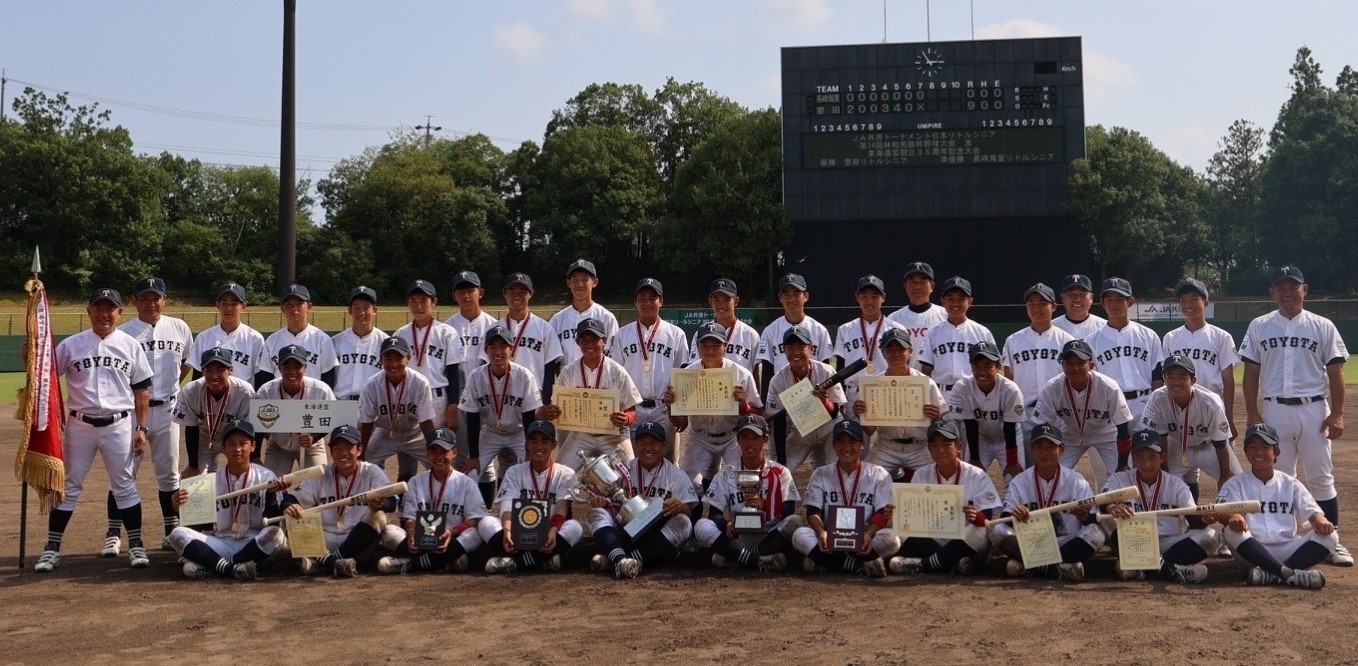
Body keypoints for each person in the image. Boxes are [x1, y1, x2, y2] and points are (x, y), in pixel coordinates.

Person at [34, 288, 155, 573]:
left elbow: (142, 392)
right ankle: (52, 548)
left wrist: (141, 428)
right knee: (69, 486)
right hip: (80, 425)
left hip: (119, 424)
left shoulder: (130, 345)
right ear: (88, 311)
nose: (104, 313)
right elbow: (45, 376)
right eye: (98, 308)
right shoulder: (71, 345)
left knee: (124, 485)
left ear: (119, 313)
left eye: (109, 308)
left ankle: (136, 545)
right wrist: (34, 353)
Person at [1239, 265, 1351, 566]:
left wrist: (1338, 413)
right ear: (1272, 292)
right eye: (1281, 287)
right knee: (1280, 476)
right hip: (1275, 409)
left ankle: (1332, 540)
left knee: (1321, 475)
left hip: (1314, 409)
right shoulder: (1259, 325)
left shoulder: (1322, 325)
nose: (1287, 292)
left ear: (1305, 290)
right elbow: (1251, 372)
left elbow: (1335, 371)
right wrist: (1252, 412)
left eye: (1293, 287)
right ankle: (1281, 538)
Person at [112, 276, 193, 553]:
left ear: (164, 300)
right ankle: (113, 532)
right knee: (124, 473)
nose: (150, 303)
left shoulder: (180, 327)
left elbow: (186, 364)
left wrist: (171, 387)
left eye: (155, 297)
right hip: (134, 413)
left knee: (169, 475)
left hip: (169, 410)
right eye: (144, 298)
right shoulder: (124, 333)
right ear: (134, 301)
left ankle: (171, 531)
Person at [1212, 424, 1335, 588]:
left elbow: (1313, 512)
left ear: (1276, 452)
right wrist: (1233, 516)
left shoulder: (1290, 483)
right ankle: (1289, 574)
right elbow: (1222, 510)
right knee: (1231, 531)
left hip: (1287, 548)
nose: (1259, 452)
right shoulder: (1235, 483)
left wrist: (1321, 521)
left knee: (1330, 536)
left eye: (1265, 447)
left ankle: (1274, 574)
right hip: (1252, 551)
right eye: (1253, 447)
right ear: (1246, 451)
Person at [168, 419, 288, 580]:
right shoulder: (209, 482)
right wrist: (178, 507)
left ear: (252, 446)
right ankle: (234, 567)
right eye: (231, 444)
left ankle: (214, 565)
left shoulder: (266, 477)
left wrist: (272, 495)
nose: (237, 449)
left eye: (243, 443)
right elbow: (196, 524)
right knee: (177, 534)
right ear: (223, 448)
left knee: (276, 534)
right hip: (221, 542)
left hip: (254, 542)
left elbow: (274, 522)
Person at [282, 424, 405, 577]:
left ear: (359, 450)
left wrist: (381, 503)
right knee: (291, 517)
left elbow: (392, 502)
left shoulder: (371, 471)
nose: (343, 453)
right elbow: (291, 498)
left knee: (379, 516)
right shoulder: (322, 473)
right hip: (324, 542)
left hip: (358, 543)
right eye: (337, 448)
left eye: (349, 448)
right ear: (331, 452)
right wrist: (290, 505)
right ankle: (334, 564)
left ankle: (328, 563)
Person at [990, 423, 1106, 581]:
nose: (1045, 452)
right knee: (996, 530)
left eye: (1051, 447)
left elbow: (1092, 519)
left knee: (1096, 533)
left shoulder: (1076, 480)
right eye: (1039, 447)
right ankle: (1060, 569)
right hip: (1032, 542)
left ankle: (1029, 566)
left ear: (1061, 449)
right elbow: (1006, 518)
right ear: (1032, 449)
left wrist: (1084, 517)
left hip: (1066, 542)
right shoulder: (1020, 481)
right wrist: (1015, 516)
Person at [586, 422, 699, 579]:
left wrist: (679, 507)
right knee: (596, 513)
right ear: (636, 445)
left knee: (683, 522)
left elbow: (688, 512)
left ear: (663, 445)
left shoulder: (676, 475)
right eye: (643, 443)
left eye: (653, 443)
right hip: (627, 532)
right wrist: (601, 503)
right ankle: (622, 560)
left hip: (657, 538)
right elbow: (609, 502)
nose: (648, 448)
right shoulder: (623, 470)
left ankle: (619, 559)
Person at [1099, 430, 1214, 584]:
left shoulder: (1176, 484)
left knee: (1210, 537)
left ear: (1162, 457)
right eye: (1140, 458)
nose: (1146, 464)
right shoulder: (1119, 479)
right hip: (1135, 541)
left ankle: (1140, 567)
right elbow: (1101, 500)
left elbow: (1192, 518)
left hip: (1169, 543)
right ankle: (1173, 570)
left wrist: (1205, 519)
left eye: (1152, 457)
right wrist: (1111, 506)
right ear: (1133, 458)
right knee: (1107, 521)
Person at [888, 420, 1001, 576]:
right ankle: (953, 562)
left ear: (959, 447)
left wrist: (976, 516)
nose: (940, 450)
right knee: (900, 529)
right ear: (929, 449)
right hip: (933, 537)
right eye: (934, 445)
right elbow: (911, 516)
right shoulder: (921, 474)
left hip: (965, 540)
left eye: (947, 445)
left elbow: (987, 516)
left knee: (981, 530)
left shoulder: (976, 475)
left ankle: (924, 564)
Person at [692, 415, 803, 572]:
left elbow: (789, 510)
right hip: (739, 538)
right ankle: (758, 561)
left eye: (755, 437)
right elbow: (714, 514)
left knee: (796, 521)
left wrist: (765, 505)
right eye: (744, 437)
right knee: (701, 525)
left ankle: (737, 558)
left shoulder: (780, 472)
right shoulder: (727, 473)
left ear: (765, 439)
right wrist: (727, 524)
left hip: (771, 536)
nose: (750, 443)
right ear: (738, 440)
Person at [665, 322, 762, 497]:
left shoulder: (741, 374)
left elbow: (758, 415)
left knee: (743, 483)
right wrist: (671, 407)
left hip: (732, 437)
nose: (710, 350)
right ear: (697, 346)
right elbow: (682, 425)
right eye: (705, 345)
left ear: (725, 346)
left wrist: (744, 406)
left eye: (716, 345)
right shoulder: (686, 375)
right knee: (688, 486)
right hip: (699, 437)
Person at [377, 428, 488, 575]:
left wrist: (452, 532)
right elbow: (408, 518)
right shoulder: (416, 481)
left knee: (474, 535)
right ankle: (444, 562)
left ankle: (411, 564)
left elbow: (475, 519)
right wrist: (411, 533)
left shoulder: (466, 483)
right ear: (427, 454)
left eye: (444, 451)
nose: (439, 457)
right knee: (388, 531)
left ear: (454, 452)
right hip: (421, 540)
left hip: (452, 540)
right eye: (434, 451)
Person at [793, 420, 895, 577]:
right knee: (799, 535)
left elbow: (882, 513)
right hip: (830, 537)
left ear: (862, 444)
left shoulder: (878, 473)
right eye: (840, 442)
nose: (846, 447)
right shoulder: (821, 473)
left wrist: (869, 534)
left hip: (864, 536)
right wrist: (821, 532)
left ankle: (823, 561)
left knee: (892, 539)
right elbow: (812, 512)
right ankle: (858, 565)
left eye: (852, 442)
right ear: (833, 445)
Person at [480, 421, 583, 573]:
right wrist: (507, 531)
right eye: (533, 441)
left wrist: (553, 531)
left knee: (575, 527)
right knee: (485, 522)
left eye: (544, 441)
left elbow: (562, 508)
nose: (539, 446)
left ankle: (516, 563)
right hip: (519, 535)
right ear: (526, 444)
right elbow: (507, 507)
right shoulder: (514, 472)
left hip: (550, 533)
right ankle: (543, 561)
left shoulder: (566, 473)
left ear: (553, 445)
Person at [459, 324, 544, 507]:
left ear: (511, 349)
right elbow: (472, 417)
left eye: (503, 346)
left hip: (519, 432)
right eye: (493, 347)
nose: (498, 352)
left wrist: (528, 452)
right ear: (485, 350)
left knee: (534, 467)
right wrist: (474, 455)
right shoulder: (476, 376)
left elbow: (529, 417)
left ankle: (532, 511)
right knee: (471, 472)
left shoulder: (524, 376)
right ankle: (478, 513)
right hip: (490, 432)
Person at [1031, 339, 1133, 492]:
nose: (1075, 368)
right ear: (1062, 365)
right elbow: (1041, 426)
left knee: (1124, 478)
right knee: (1053, 475)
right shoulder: (1052, 387)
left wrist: (1122, 464)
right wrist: (1048, 454)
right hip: (1070, 433)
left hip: (1106, 433)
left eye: (1080, 363)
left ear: (1091, 365)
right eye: (1069, 363)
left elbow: (1124, 425)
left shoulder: (1108, 387)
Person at [541, 318, 641, 470]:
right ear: (577, 342)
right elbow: (555, 406)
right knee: (561, 473)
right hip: (581, 435)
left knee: (630, 472)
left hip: (613, 435)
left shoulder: (617, 371)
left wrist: (626, 418)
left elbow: (631, 409)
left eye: (595, 339)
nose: (589, 344)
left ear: (604, 341)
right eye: (584, 340)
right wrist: (552, 411)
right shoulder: (568, 372)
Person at [845, 329, 945, 481]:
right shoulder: (873, 385)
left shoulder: (925, 383)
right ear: (883, 353)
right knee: (864, 480)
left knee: (939, 478)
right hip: (886, 447)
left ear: (910, 351)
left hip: (920, 447)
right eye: (889, 349)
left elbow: (939, 425)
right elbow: (870, 431)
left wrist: (936, 418)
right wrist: (861, 415)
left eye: (900, 349)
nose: (895, 354)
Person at [609, 278, 690, 461]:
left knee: (668, 462)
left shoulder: (676, 334)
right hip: (633, 409)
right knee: (631, 463)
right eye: (642, 298)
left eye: (653, 298)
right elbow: (615, 374)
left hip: (663, 409)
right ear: (635, 302)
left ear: (661, 301)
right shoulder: (622, 334)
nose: (647, 303)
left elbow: (683, 375)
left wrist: (678, 410)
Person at [1139, 355, 1240, 500]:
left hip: (1210, 447)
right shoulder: (1157, 399)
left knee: (1236, 483)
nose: (1176, 382)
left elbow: (1220, 443)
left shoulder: (1211, 402)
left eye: (1182, 377)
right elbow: (1160, 439)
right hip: (1176, 446)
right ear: (1164, 380)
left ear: (1193, 380)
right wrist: (1164, 475)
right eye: (1170, 377)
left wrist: (1225, 476)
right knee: (1161, 487)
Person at [1002, 283, 1074, 466]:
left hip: (1058, 414)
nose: (1037, 308)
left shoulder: (1066, 341)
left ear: (1054, 306)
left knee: (1060, 468)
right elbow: (1008, 379)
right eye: (1031, 303)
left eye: (1042, 303)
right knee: (1027, 468)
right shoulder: (1013, 340)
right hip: (1025, 413)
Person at [1161, 278, 1239, 438]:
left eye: (1194, 299)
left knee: (1220, 450)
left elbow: (1228, 379)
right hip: (1180, 406)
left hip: (1212, 405)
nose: (1188, 304)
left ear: (1206, 303)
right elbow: (1166, 378)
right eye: (1183, 300)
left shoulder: (1221, 337)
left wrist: (1229, 416)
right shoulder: (1170, 338)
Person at [766, 326, 846, 474]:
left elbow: (835, 412)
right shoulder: (778, 380)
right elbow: (778, 422)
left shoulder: (826, 371)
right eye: (791, 347)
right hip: (801, 430)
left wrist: (825, 402)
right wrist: (782, 460)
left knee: (842, 468)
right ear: (784, 350)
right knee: (781, 472)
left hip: (829, 428)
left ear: (811, 348)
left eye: (801, 347)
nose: (796, 352)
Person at [358, 336, 436, 483]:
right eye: (388, 359)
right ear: (381, 359)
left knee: (438, 463)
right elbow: (366, 422)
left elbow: (426, 421)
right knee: (361, 466)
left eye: (399, 358)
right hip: (385, 433)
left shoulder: (420, 383)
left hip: (415, 434)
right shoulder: (371, 385)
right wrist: (361, 453)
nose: (393, 364)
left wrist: (433, 448)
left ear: (408, 358)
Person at [1087, 277, 1163, 422]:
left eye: (1120, 299)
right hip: (1110, 405)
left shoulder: (1148, 335)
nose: (1114, 304)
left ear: (1130, 302)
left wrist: (1156, 405)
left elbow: (1157, 375)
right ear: (1102, 303)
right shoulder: (1092, 340)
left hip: (1144, 403)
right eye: (1109, 299)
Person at [948, 342, 1024, 483]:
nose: (982, 371)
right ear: (971, 367)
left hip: (1008, 438)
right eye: (977, 366)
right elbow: (970, 425)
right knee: (970, 480)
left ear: (998, 366)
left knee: (1015, 480)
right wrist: (974, 458)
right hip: (980, 438)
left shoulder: (1010, 389)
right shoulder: (962, 387)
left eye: (988, 366)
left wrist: (1012, 461)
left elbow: (1010, 427)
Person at [254, 345, 335, 478]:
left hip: (312, 447)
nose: (292, 372)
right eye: (286, 367)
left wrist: (314, 436)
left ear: (305, 367)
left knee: (318, 482)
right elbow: (258, 424)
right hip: (279, 447)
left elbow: (334, 416)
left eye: (297, 366)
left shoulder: (320, 390)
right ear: (279, 368)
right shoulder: (266, 391)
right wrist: (256, 455)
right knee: (272, 484)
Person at [392, 279, 463, 430]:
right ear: (407, 303)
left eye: (423, 301)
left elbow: (453, 373)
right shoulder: (400, 334)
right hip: (408, 396)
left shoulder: (446, 332)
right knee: (407, 442)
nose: (418, 306)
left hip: (436, 397)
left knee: (436, 442)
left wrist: (453, 405)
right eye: (413, 301)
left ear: (434, 302)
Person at [173, 348, 256, 476]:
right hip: (204, 438)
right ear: (202, 371)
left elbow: (248, 430)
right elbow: (191, 428)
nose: (214, 375)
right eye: (209, 370)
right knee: (196, 481)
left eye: (220, 370)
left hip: (235, 439)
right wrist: (193, 466)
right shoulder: (191, 391)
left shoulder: (245, 392)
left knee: (242, 477)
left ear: (230, 370)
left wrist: (251, 459)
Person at [757, 273, 834, 399]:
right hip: (781, 394)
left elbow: (826, 368)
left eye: (796, 294)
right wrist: (766, 402)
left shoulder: (819, 330)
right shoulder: (770, 331)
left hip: (813, 395)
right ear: (780, 298)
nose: (791, 299)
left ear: (806, 296)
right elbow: (767, 372)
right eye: (786, 294)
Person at [483, 272, 563, 394]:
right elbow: (485, 365)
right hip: (500, 394)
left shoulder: (545, 328)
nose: (517, 296)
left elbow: (549, 369)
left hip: (534, 393)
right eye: (512, 291)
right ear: (504, 293)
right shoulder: (494, 328)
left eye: (522, 292)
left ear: (530, 294)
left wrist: (546, 400)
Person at [918, 276, 996, 399]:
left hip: (972, 392)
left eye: (961, 298)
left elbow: (993, 368)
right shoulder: (933, 332)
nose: (955, 303)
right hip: (941, 393)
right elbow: (926, 369)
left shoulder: (982, 332)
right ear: (942, 301)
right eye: (950, 298)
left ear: (970, 301)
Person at [186, 282, 269, 388]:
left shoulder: (255, 338)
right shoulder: (204, 337)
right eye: (224, 303)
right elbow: (197, 376)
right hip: (210, 396)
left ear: (243, 306)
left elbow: (260, 377)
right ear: (218, 305)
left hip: (243, 396)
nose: (228, 308)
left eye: (234, 303)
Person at [264, 283, 338, 388]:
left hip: (313, 396)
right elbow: (266, 379)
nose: (294, 308)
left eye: (299, 304)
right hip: (280, 396)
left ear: (309, 306)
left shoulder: (322, 339)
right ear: (282, 308)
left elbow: (328, 378)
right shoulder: (272, 341)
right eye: (288, 304)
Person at [550, 259, 620, 366]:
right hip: (566, 376)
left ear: (594, 282)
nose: (580, 284)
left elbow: (613, 356)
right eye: (575, 280)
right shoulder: (557, 320)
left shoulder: (606, 318)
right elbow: (552, 358)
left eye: (585, 279)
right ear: (568, 283)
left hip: (598, 376)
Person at [834, 274, 907, 376]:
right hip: (854, 385)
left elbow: (904, 365)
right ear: (857, 297)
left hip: (885, 384)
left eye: (874, 297)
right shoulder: (845, 329)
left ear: (883, 298)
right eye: (864, 297)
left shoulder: (897, 329)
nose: (869, 301)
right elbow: (840, 368)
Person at [689, 278, 759, 374]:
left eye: (727, 300)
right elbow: (693, 368)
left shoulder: (750, 334)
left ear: (736, 301)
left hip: (739, 383)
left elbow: (755, 371)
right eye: (716, 300)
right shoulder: (701, 333)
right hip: (707, 382)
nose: (721, 305)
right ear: (710, 301)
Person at [331, 286, 389, 401]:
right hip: (341, 402)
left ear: (375, 310)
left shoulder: (385, 342)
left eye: (366, 308)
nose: (361, 312)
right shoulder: (335, 341)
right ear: (349, 310)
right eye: (356, 307)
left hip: (373, 403)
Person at [887, 261, 947, 370]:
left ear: (932, 286)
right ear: (905, 285)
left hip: (937, 379)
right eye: (912, 281)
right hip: (904, 379)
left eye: (923, 281)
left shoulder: (945, 316)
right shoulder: (893, 319)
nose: (917, 286)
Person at [443, 270, 497, 376]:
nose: (466, 296)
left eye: (471, 291)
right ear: (454, 296)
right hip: (457, 384)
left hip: (486, 383)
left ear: (481, 293)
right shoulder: (447, 328)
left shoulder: (493, 325)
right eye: (461, 292)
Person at [1051, 274, 1106, 341]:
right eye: (1071, 294)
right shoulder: (1051, 327)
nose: (1077, 299)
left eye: (1082, 294)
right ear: (1062, 297)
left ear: (1091, 297)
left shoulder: (1104, 327)